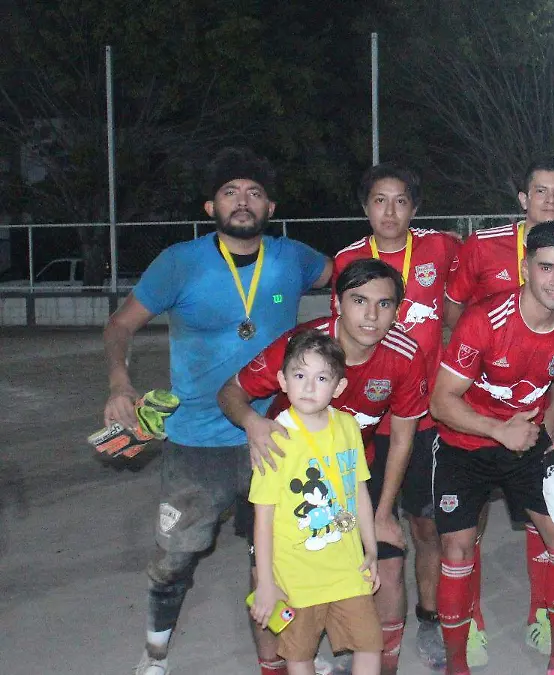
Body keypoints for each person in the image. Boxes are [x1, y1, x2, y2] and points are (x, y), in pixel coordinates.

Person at [102, 147, 331, 675]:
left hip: (273, 437)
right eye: (230, 192)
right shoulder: (179, 262)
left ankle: (294, 649)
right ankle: (155, 652)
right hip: (196, 443)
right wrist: (120, 382)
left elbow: (352, 276)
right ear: (210, 206)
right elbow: (119, 326)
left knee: (286, 553)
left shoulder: (293, 258)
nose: (243, 201)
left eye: (254, 192)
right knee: (174, 559)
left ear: (270, 205)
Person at [219, 258, 430, 674]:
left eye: (384, 304)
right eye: (359, 300)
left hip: (350, 471)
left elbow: (404, 436)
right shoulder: (301, 345)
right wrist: (253, 424)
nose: (371, 315)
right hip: (284, 465)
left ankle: (380, 660)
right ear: (337, 303)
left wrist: (385, 511)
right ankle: (274, 664)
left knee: (388, 562)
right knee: (265, 572)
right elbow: (230, 393)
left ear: (397, 310)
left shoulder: (405, 355)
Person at [430, 220, 554, 675]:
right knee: (457, 547)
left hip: (525, 442)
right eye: (546, 267)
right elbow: (441, 401)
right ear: (525, 268)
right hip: (466, 444)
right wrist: (498, 430)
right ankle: (457, 665)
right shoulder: (484, 321)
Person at [330, 164, 462, 669]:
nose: (390, 211)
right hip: (360, 422)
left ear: (415, 207)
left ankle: (429, 618)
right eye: (379, 201)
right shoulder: (345, 259)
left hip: (423, 420)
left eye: (401, 201)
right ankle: (354, 632)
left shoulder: (441, 248)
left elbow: (457, 308)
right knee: (350, 529)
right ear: (365, 208)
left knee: (425, 527)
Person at [248, 330, 382, 675]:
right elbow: (262, 518)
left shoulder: (348, 426)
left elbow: (359, 492)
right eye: (299, 375)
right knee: (299, 655)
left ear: (338, 387)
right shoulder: (274, 439)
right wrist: (266, 584)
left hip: (347, 569)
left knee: (369, 645)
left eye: (321, 377)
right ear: (282, 380)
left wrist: (371, 549)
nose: (309, 387)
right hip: (296, 578)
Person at [444, 157, 554, 325]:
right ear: (523, 199)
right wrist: (471, 345)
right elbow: (454, 304)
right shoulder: (483, 245)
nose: (551, 200)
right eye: (541, 191)